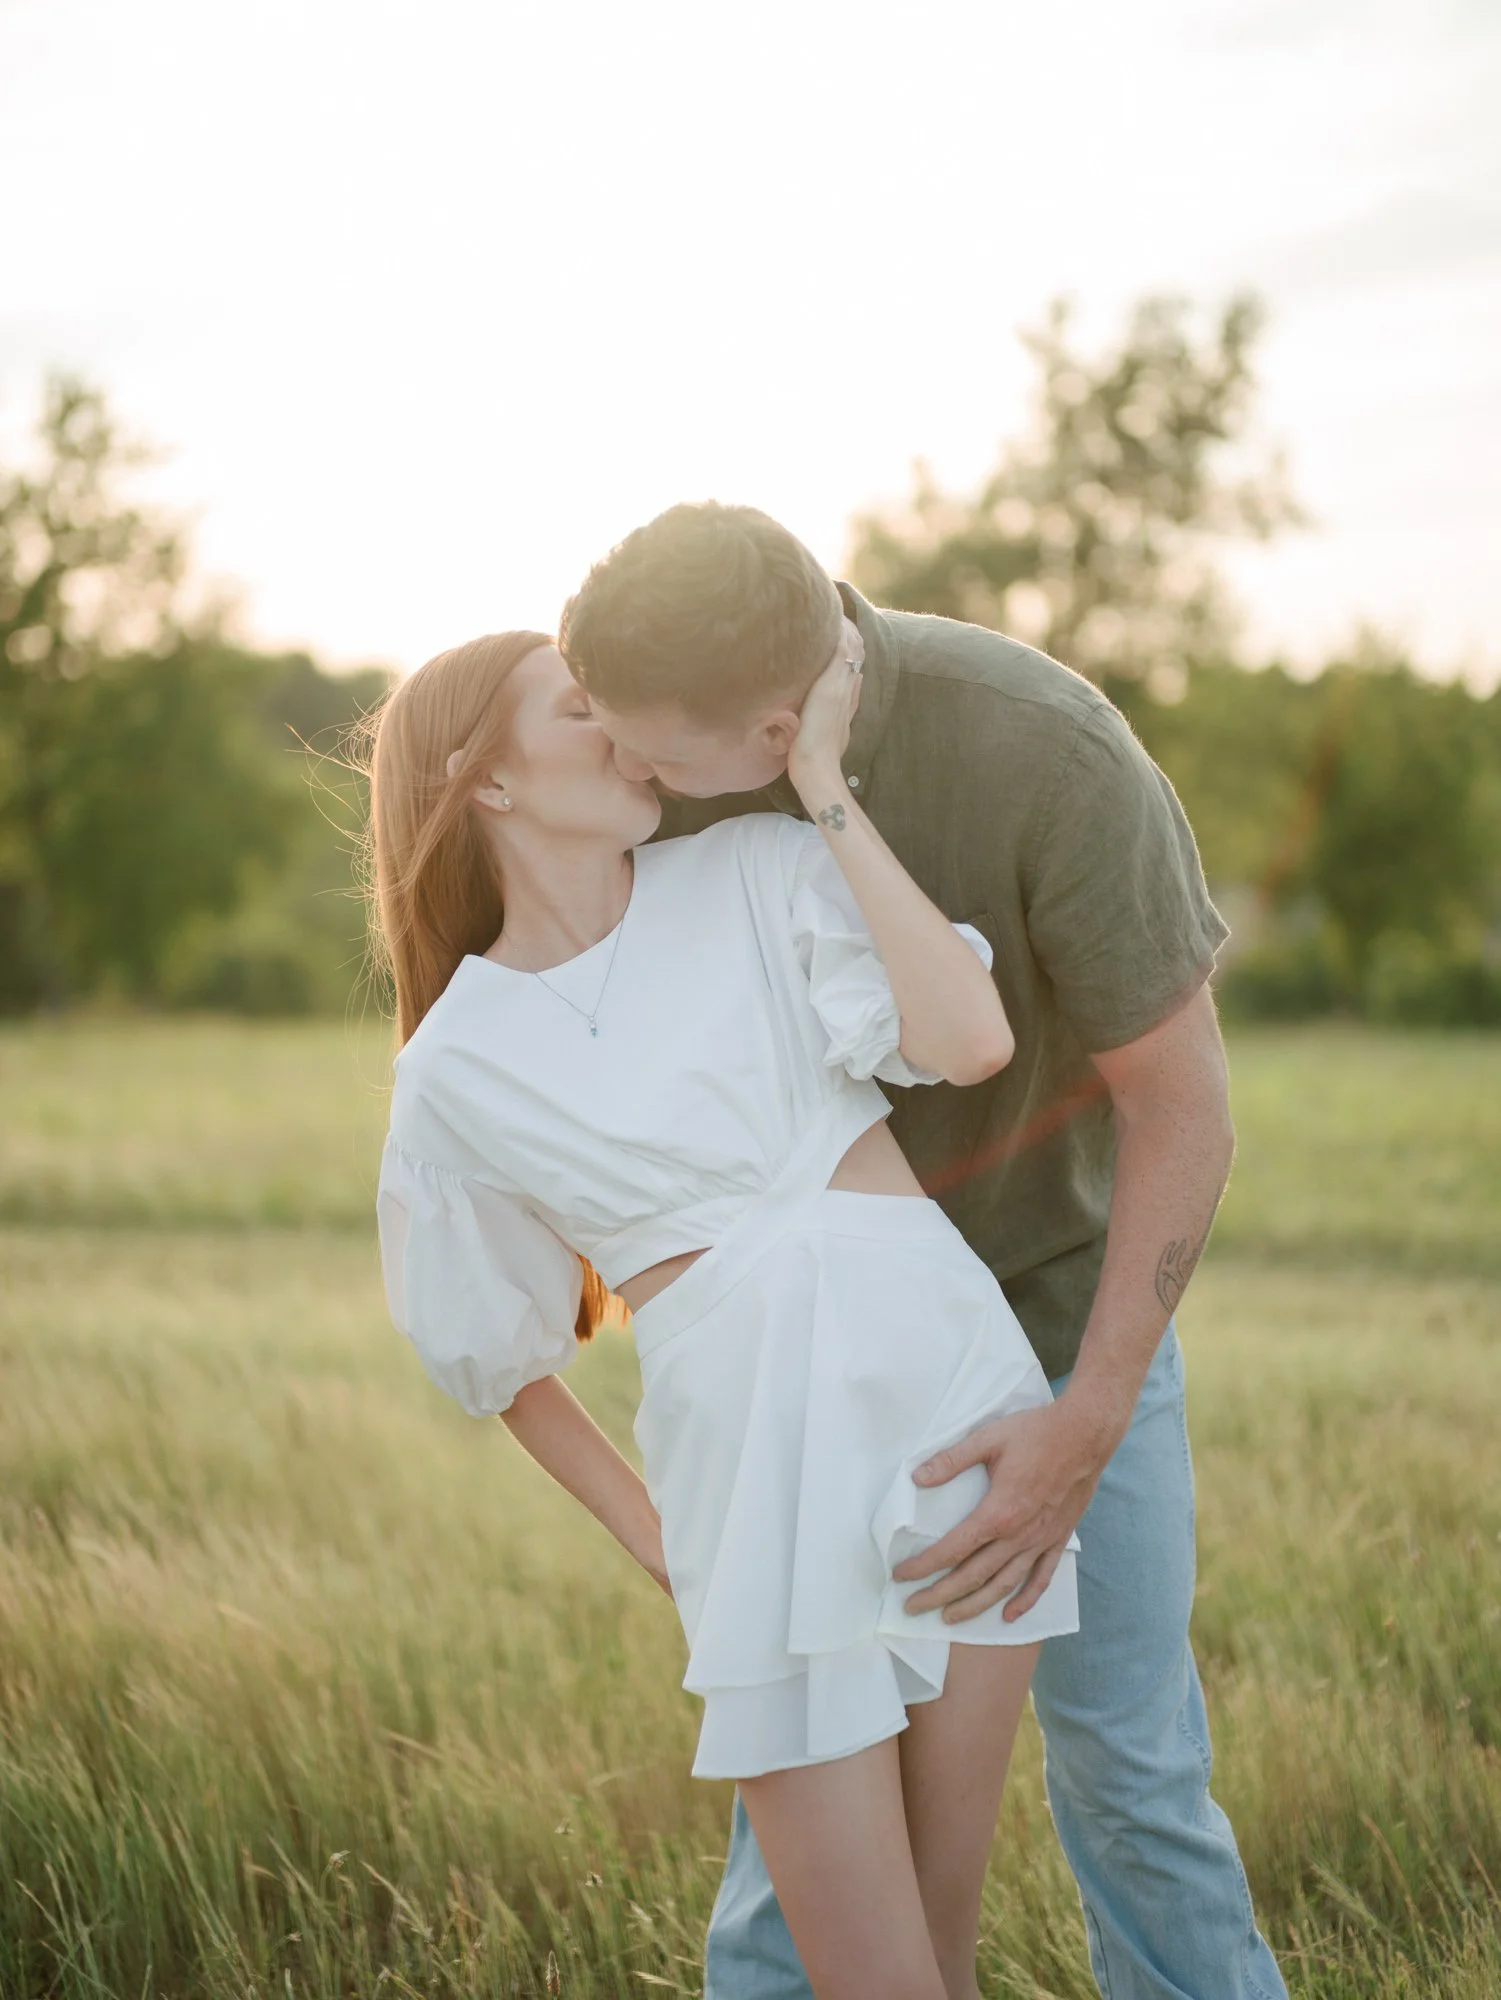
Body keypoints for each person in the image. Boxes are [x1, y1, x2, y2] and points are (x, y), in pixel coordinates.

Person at [558, 503, 1288, 2000]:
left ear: (777, 727)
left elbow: (1186, 1115)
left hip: (1063, 1333)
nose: (621, 776)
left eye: (652, 754)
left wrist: (1089, 1418)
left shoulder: (1048, 754)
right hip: (823, 1367)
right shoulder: (661, 778)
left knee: (1136, 1782)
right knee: (806, 1835)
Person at [367, 627, 1083, 2000]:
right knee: (879, 1981)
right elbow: (497, 1361)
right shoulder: (452, 1065)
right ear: (490, 785)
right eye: (581, 709)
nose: (625, 727)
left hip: (955, 1411)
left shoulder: (757, 872)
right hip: (750, 1485)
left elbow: (971, 1040)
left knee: (942, 1957)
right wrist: (665, 1547)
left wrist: (817, 778)